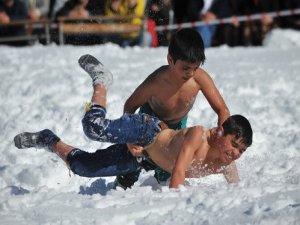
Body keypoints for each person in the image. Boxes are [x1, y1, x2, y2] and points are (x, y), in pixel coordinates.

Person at [14, 54, 253, 188]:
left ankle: (48, 139)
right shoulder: (198, 136)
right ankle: (101, 81)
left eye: (241, 150)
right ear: (220, 133)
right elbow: (178, 174)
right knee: (93, 127)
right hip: (146, 130)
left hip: (147, 159)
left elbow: (237, 190)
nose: (236, 153)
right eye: (235, 144)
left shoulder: (225, 163)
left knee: (83, 167)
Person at [115, 28, 230, 189]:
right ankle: (119, 188)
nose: (190, 73)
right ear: (170, 59)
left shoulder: (199, 79)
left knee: (168, 170)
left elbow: (222, 109)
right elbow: (130, 105)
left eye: (195, 68)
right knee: (132, 164)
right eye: (185, 68)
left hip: (176, 126)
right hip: (149, 121)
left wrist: (223, 139)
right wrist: (129, 139)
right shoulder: (156, 81)